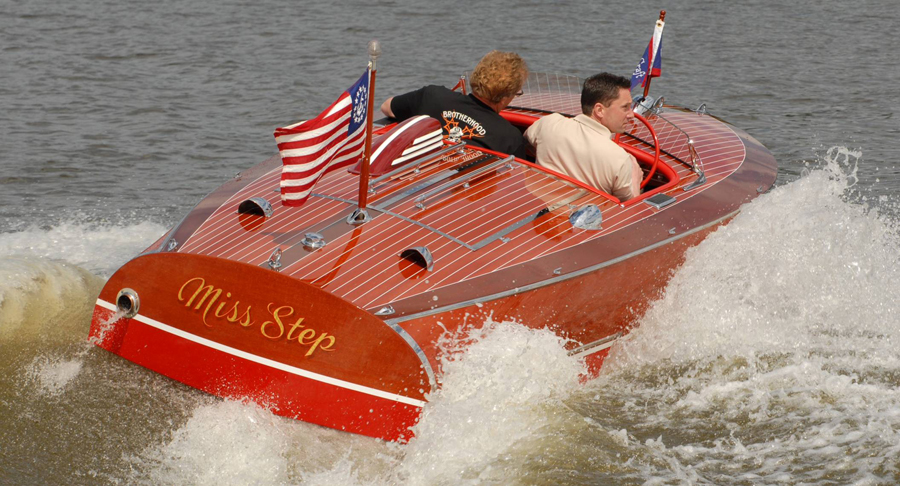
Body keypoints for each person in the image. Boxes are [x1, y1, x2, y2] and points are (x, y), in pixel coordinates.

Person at [380, 51, 528, 158]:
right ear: (505, 97)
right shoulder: (510, 138)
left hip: (414, 174)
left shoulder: (432, 96)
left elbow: (386, 107)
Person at [524, 72, 642, 201]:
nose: (632, 115)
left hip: (536, 206)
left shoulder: (548, 123)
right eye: (625, 107)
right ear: (599, 110)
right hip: (583, 218)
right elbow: (629, 208)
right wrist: (635, 182)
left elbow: (526, 143)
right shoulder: (620, 159)